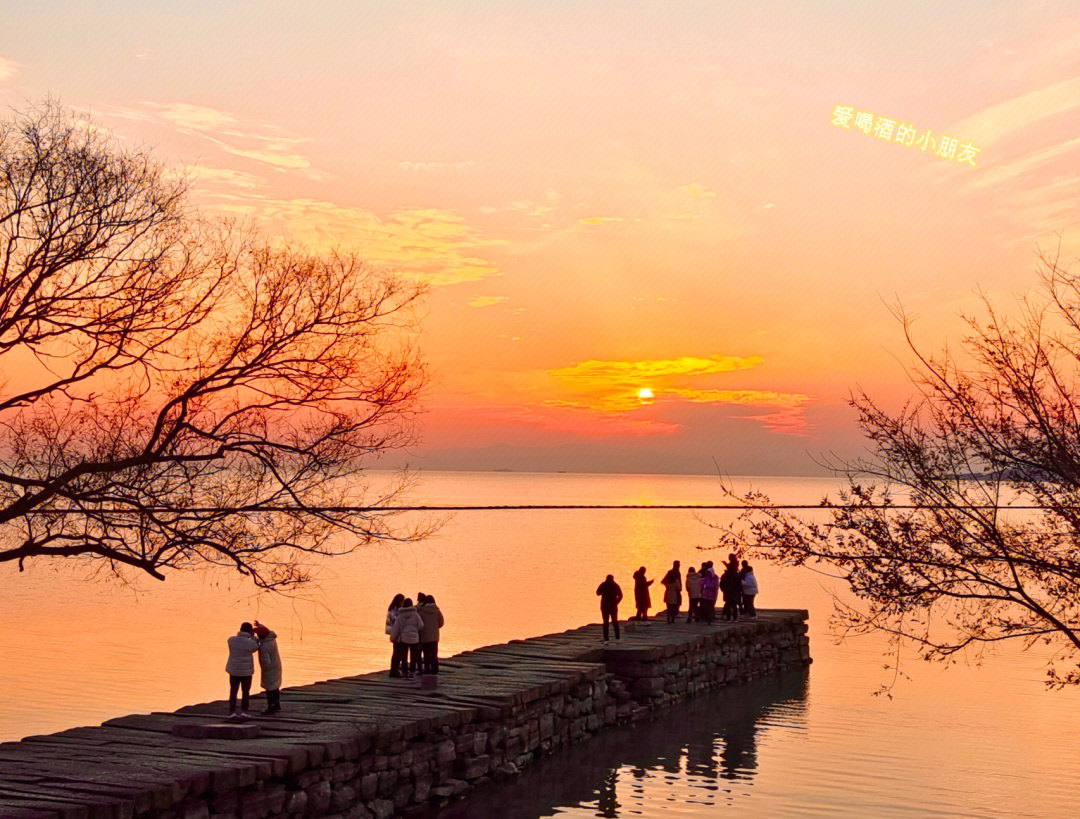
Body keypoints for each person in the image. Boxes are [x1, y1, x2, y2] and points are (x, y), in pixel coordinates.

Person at [225, 622, 261, 719]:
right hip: (246, 672)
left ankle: (232, 711)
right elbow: (255, 647)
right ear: (250, 631)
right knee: (245, 691)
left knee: (233, 691)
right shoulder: (251, 643)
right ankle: (244, 711)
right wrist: (254, 638)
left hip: (234, 670)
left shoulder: (231, 640)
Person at [390, 597, 424, 678]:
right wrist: (415, 630)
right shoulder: (415, 614)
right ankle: (412, 672)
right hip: (414, 638)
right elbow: (421, 625)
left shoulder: (400, 615)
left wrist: (392, 638)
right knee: (413, 656)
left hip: (404, 638)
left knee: (404, 656)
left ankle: (404, 672)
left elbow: (396, 628)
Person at [253, 621, 282, 714]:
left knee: (269, 688)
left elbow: (266, 661)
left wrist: (264, 671)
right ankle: (277, 705)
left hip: (269, 669)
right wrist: (260, 625)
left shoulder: (264, 647)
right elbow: (265, 630)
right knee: (275, 685)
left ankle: (271, 706)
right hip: (277, 665)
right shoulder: (272, 640)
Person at [417, 594, 444, 674]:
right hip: (434, 636)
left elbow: (419, 624)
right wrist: (435, 627)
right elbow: (441, 623)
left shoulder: (421, 611)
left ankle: (427, 669)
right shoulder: (437, 611)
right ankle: (435, 669)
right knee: (434, 654)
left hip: (425, 636)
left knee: (426, 654)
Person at [596, 574, 623, 641]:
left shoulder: (603, 585)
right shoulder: (615, 585)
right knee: (615, 622)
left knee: (605, 623)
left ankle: (606, 639)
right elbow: (621, 595)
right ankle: (617, 638)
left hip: (604, 606)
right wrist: (616, 602)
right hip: (613, 606)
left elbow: (598, 593)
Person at [386, 593, 405, 677]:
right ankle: (394, 670)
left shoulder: (391, 609)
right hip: (397, 634)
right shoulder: (395, 610)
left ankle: (394, 669)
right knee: (398, 653)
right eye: (402, 601)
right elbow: (396, 621)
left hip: (394, 633)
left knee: (397, 653)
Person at [720, 557, 742, 622]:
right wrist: (739, 591)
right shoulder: (737, 575)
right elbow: (739, 585)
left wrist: (724, 590)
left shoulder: (725, 575)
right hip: (735, 592)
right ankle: (735, 618)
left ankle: (728, 618)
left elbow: (721, 584)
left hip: (728, 592)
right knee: (734, 606)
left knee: (728, 605)